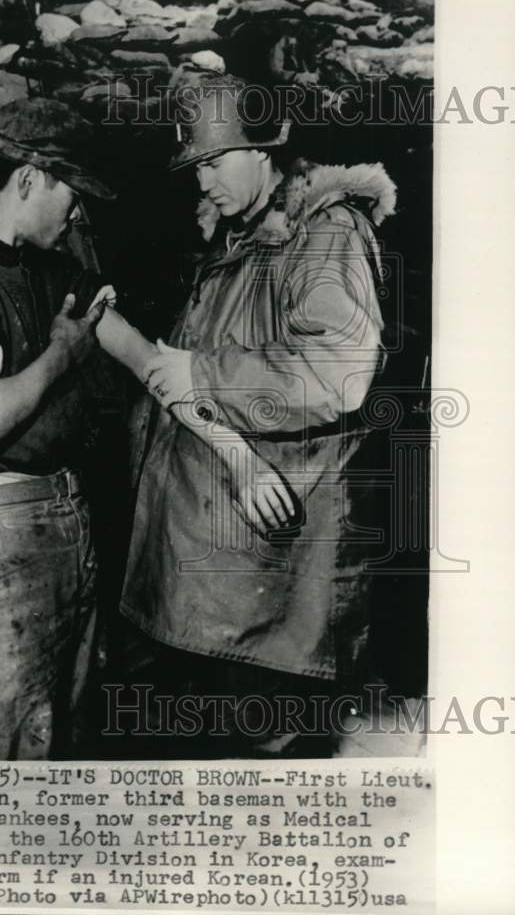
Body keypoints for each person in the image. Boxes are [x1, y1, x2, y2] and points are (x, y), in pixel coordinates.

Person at [0, 95, 289, 761]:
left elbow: (155, 366)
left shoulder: (62, 273)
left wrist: (237, 456)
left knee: (69, 747)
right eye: (73, 193)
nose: (79, 212)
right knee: (5, 756)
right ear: (29, 179)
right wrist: (61, 355)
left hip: (69, 529)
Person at [118, 74, 397, 757]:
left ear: (266, 151)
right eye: (195, 167)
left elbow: (338, 371)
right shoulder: (241, 237)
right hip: (210, 585)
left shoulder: (325, 236)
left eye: (215, 161)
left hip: (266, 602)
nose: (202, 181)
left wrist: (204, 373)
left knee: (254, 777)